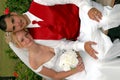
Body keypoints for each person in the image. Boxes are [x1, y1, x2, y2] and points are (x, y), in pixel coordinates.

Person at [0, 0, 104, 59]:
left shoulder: (38, 2)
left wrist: (87, 9)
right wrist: (82, 46)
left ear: (13, 14)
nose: (18, 24)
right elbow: (62, 44)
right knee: (101, 51)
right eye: (14, 27)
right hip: (82, 34)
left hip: (83, 12)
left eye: (13, 20)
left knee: (106, 19)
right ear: (14, 31)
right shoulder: (36, 38)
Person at [9, 27, 120, 80]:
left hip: (79, 56)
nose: (27, 39)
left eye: (26, 35)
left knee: (100, 59)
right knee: (97, 74)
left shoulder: (43, 41)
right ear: (20, 45)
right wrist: (76, 70)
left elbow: (66, 43)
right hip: (73, 73)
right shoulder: (34, 62)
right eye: (22, 40)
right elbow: (55, 76)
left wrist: (78, 55)